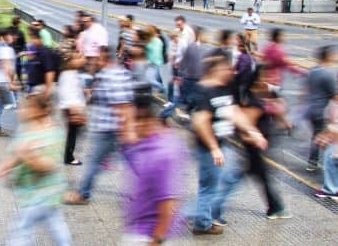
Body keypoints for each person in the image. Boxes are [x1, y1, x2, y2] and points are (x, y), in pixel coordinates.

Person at [188, 55, 268, 235]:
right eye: (226, 69)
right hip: (209, 147)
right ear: (215, 71)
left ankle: (205, 214)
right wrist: (214, 148)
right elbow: (201, 121)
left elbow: (233, 112)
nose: (231, 71)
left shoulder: (223, 88)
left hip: (222, 144)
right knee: (210, 186)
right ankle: (202, 223)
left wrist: (253, 131)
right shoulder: (203, 91)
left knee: (228, 178)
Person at [211, 65, 290, 228]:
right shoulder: (252, 100)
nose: (270, 79)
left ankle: (275, 207)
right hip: (253, 147)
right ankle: (211, 209)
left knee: (259, 176)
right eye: (266, 76)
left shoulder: (264, 94)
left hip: (256, 148)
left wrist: (281, 116)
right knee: (234, 181)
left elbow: (278, 104)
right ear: (257, 79)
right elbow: (246, 126)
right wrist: (255, 138)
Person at [0, 92, 72, 246]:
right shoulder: (25, 131)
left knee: (22, 230)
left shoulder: (51, 134)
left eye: (25, 108)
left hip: (36, 194)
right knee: (56, 224)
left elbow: (49, 165)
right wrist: (0, 170)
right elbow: (15, 158)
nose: (20, 111)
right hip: (48, 195)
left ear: (40, 111)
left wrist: (28, 157)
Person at [64, 46, 135, 205]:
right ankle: (145, 191)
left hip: (109, 129)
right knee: (129, 162)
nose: (94, 61)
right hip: (110, 128)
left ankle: (83, 193)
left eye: (97, 59)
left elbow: (122, 105)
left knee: (95, 161)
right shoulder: (114, 73)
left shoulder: (111, 76)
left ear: (105, 59)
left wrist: (126, 130)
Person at [121, 87, 185, 245]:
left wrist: (157, 240)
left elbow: (168, 204)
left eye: (136, 119)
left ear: (150, 120)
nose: (132, 125)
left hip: (148, 235)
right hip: (143, 229)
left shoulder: (161, 155)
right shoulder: (162, 143)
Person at [305, 46, 337, 172]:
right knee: (325, 137)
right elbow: (335, 96)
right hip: (322, 110)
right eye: (334, 54)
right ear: (328, 56)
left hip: (312, 108)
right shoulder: (328, 74)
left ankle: (312, 162)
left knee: (317, 136)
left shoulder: (313, 70)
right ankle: (317, 163)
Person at [58, 53, 87, 166]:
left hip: (73, 107)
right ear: (71, 61)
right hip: (71, 108)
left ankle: (69, 155)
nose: (83, 59)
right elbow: (66, 93)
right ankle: (69, 157)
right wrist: (74, 110)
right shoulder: (68, 74)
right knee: (73, 133)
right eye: (79, 58)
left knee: (74, 132)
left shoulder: (71, 73)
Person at [25, 27, 58, 99]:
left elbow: (50, 72)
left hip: (43, 88)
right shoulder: (37, 52)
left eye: (33, 38)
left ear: (40, 39)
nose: (32, 41)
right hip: (37, 87)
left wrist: (48, 90)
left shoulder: (45, 52)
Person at [9, 17, 27, 83]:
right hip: (16, 53)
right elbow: (24, 43)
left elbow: (23, 43)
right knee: (16, 69)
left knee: (15, 69)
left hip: (14, 53)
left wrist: (24, 50)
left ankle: (17, 82)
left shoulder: (9, 31)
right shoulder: (19, 32)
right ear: (18, 23)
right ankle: (18, 82)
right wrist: (24, 51)